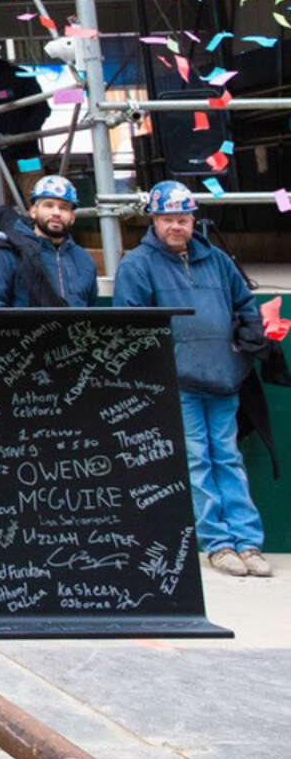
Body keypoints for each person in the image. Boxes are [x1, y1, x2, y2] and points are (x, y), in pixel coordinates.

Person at [113, 181, 269, 578]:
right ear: (154, 219)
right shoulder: (137, 264)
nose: (176, 226)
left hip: (223, 377)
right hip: (176, 383)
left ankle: (248, 543)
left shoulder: (217, 259)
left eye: (182, 218)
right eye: (167, 219)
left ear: (193, 219)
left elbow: (245, 303)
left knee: (229, 458)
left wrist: (249, 334)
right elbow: (129, 327)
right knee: (198, 459)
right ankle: (217, 544)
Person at [0, 175, 96, 308]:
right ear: (33, 211)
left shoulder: (85, 260)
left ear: (72, 217)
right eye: (48, 205)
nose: (56, 212)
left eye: (64, 207)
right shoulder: (7, 252)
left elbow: (89, 310)